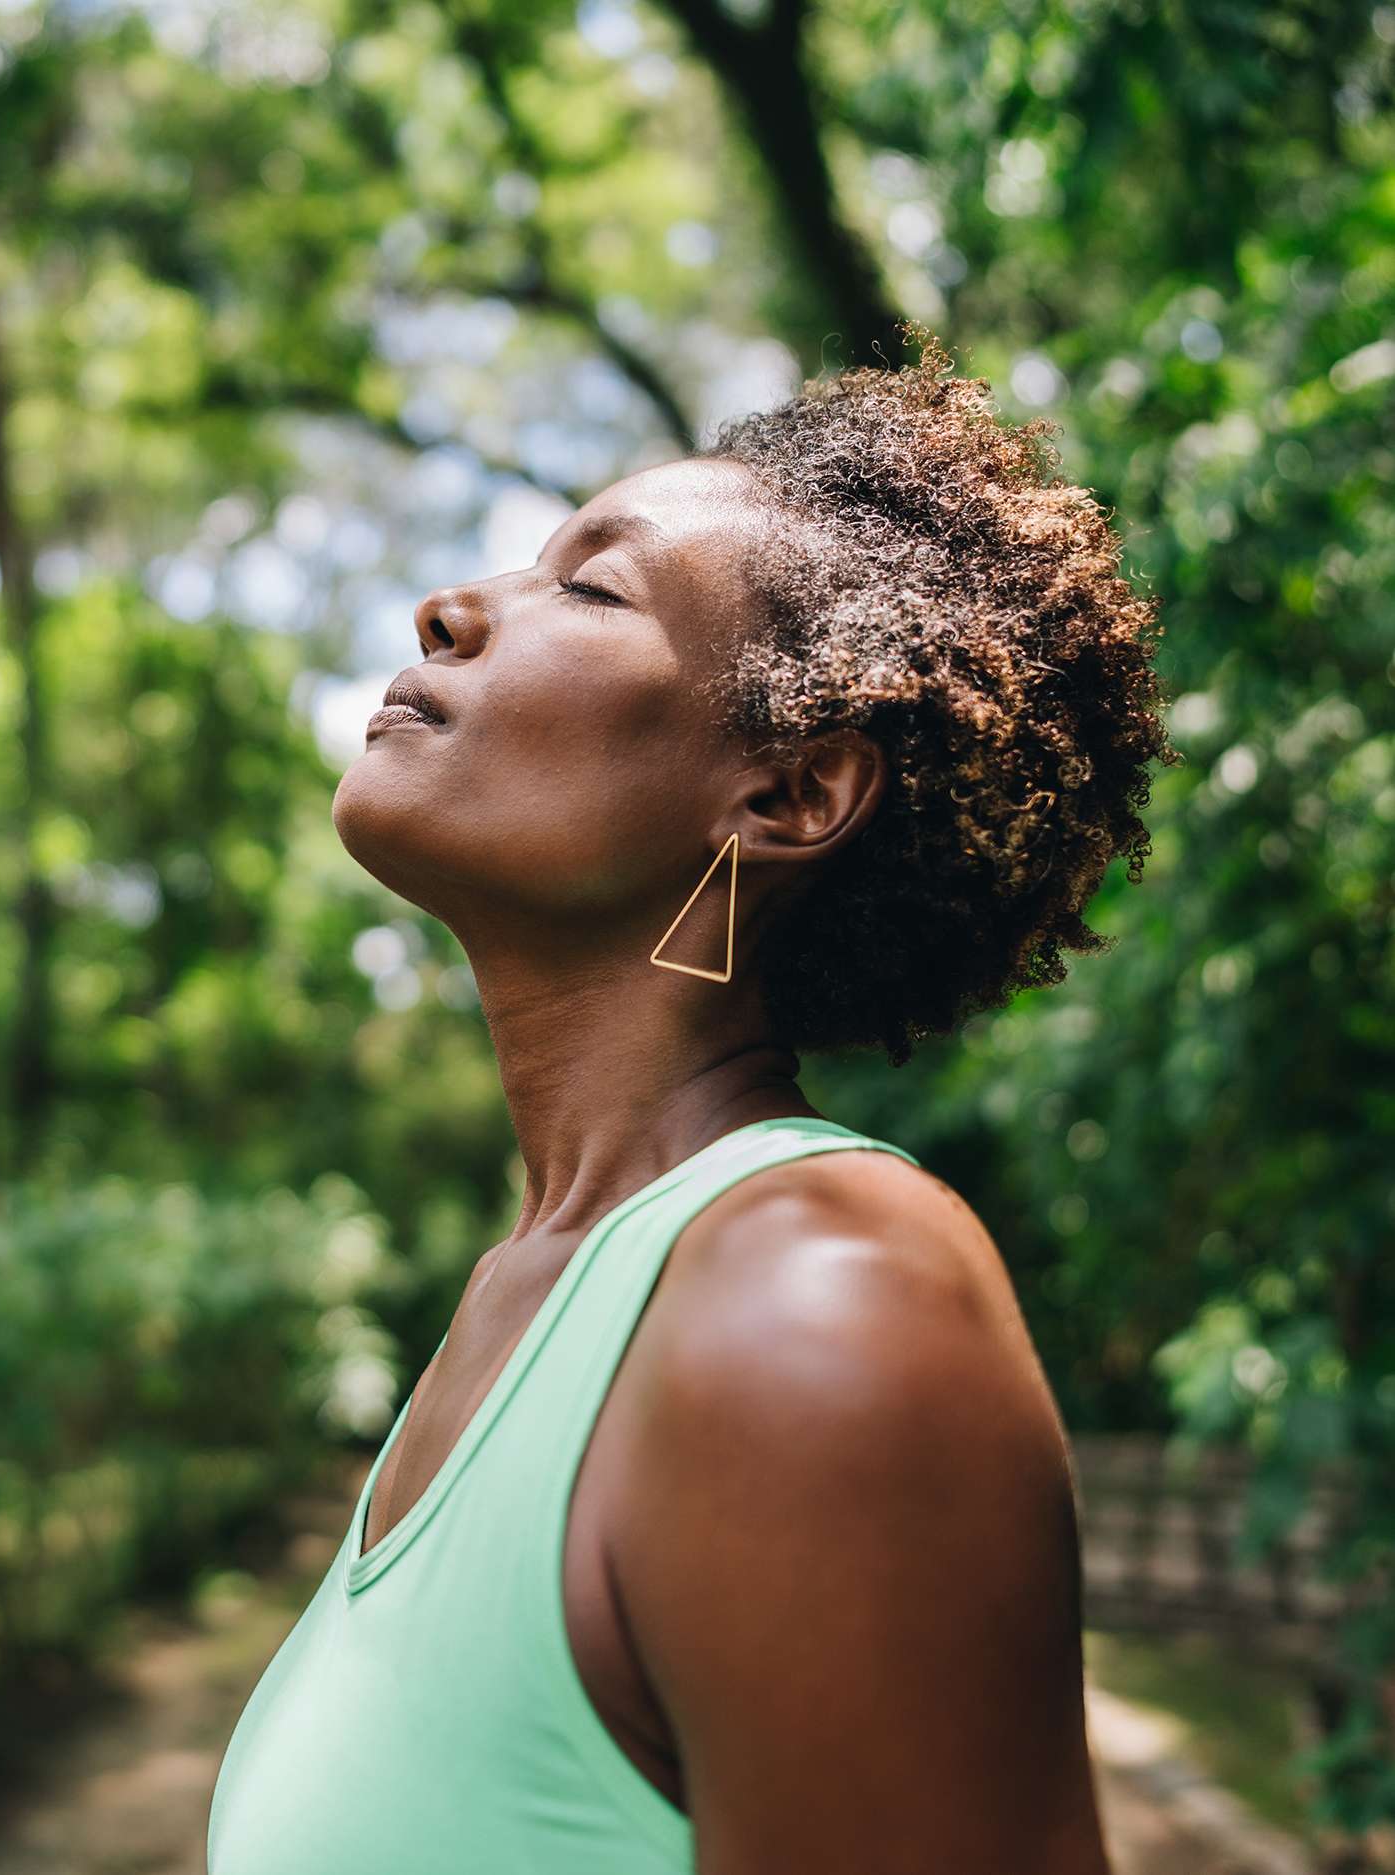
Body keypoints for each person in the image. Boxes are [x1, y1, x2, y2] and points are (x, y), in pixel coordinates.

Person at [206, 330, 1174, 1873]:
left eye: (594, 589)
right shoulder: (524, 1299)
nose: (452, 607)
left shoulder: (819, 1297)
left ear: (788, 795)